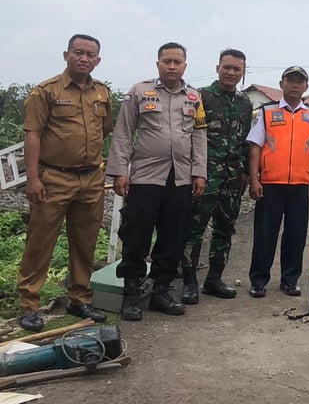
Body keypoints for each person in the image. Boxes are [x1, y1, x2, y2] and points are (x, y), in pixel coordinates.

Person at [16, 34, 113, 331]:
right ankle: (29, 305)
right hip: (54, 178)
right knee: (40, 242)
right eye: (78, 52)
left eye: (90, 55)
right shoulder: (45, 91)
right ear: (66, 55)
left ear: (97, 60)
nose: (84, 58)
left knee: (85, 241)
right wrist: (33, 178)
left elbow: (104, 129)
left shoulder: (102, 93)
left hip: (91, 178)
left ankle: (79, 298)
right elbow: (32, 134)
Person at [107, 42, 208, 321]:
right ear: (158, 64)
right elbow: (124, 132)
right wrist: (120, 171)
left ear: (185, 66)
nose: (172, 66)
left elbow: (199, 136)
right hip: (145, 175)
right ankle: (131, 292)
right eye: (167, 61)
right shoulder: (139, 91)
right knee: (136, 234)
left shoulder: (194, 97)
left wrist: (200, 172)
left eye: (177, 62)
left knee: (174, 236)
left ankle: (161, 291)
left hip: (181, 177)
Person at [247, 66, 309, 298]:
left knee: (295, 236)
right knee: (265, 234)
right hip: (270, 185)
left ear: (306, 87)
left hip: (299, 186)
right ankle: (258, 281)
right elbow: (254, 149)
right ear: (281, 84)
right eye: (290, 80)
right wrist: (254, 180)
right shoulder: (267, 112)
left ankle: (290, 281)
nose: (294, 85)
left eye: (299, 81)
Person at [181, 49, 252, 304]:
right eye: (227, 67)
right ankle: (189, 282)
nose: (231, 73)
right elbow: (188, 136)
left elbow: (245, 140)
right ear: (217, 68)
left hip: (233, 179)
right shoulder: (201, 97)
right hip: (204, 177)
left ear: (243, 72)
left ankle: (214, 279)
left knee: (225, 230)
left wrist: (246, 172)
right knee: (194, 230)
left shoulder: (245, 103)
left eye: (237, 69)